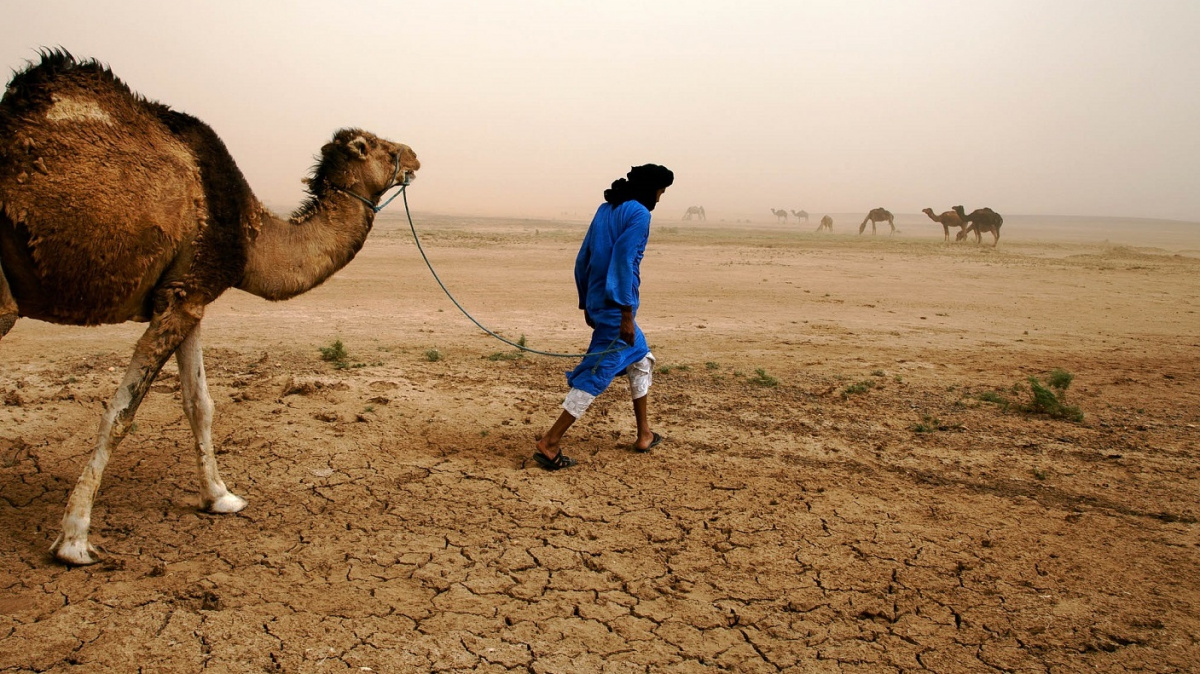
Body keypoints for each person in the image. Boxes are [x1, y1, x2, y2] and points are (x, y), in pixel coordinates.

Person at [533, 164, 674, 470]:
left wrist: (586, 303)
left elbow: (583, 256)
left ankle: (644, 433)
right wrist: (625, 312)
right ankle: (550, 442)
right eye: (661, 191)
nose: (661, 198)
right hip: (616, 307)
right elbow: (625, 261)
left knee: (641, 358)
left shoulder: (605, 209)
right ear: (652, 188)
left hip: (599, 301)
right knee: (597, 373)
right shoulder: (639, 214)